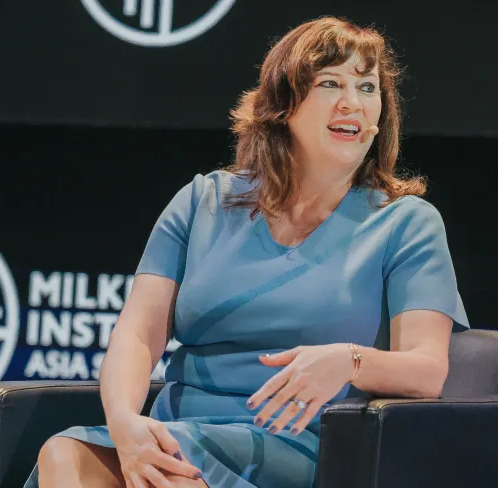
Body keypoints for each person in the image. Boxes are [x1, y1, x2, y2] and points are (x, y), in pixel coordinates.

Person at [27, 16, 469, 488]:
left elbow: (427, 371)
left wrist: (348, 360)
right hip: (181, 427)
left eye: (367, 87)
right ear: (284, 104)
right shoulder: (202, 202)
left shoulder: (406, 223)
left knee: (169, 471)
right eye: (330, 83)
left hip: (309, 442)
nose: (352, 103)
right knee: (66, 457)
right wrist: (125, 424)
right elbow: (137, 334)